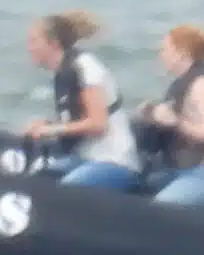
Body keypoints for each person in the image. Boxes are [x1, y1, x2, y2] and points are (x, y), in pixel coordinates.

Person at [22, 11, 143, 191]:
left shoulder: (85, 67)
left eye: (33, 41)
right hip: (84, 158)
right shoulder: (62, 73)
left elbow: (98, 124)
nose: (29, 48)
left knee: (63, 191)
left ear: (53, 44)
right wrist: (46, 125)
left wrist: (51, 129)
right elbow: (76, 119)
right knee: (37, 181)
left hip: (114, 161)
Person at [135, 24, 204, 209]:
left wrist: (176, 123)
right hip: (177, 169)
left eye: (165, 50)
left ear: (181, 53)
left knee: (158, 210)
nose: (161, 55)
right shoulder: (182, 83)